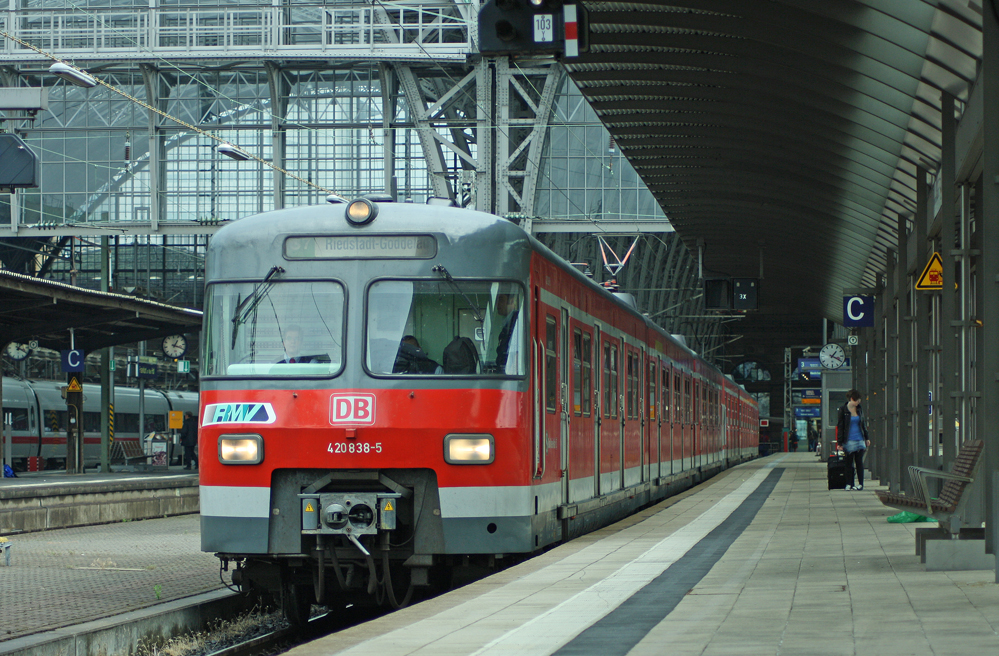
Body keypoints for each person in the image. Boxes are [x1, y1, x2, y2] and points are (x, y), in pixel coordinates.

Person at [836, 389, 870, 490]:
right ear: (851, 399)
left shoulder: (859, 410)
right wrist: (840, 442)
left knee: (859, 462)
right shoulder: (843, 410)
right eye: (857, 401)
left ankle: (860, 484)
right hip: (848, 440)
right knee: (848, 463)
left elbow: (863, 424)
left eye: (859, 401)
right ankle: (849, 483)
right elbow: (840, 426)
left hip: (859, 439)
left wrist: (866, 438)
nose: (858, 403)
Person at [494, 293, 520, 369]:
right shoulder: (507, 323)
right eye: (496, 301)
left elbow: (515, 352)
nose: (497, 304)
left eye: (501, 300)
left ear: (511, 301)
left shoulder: (516, 322)